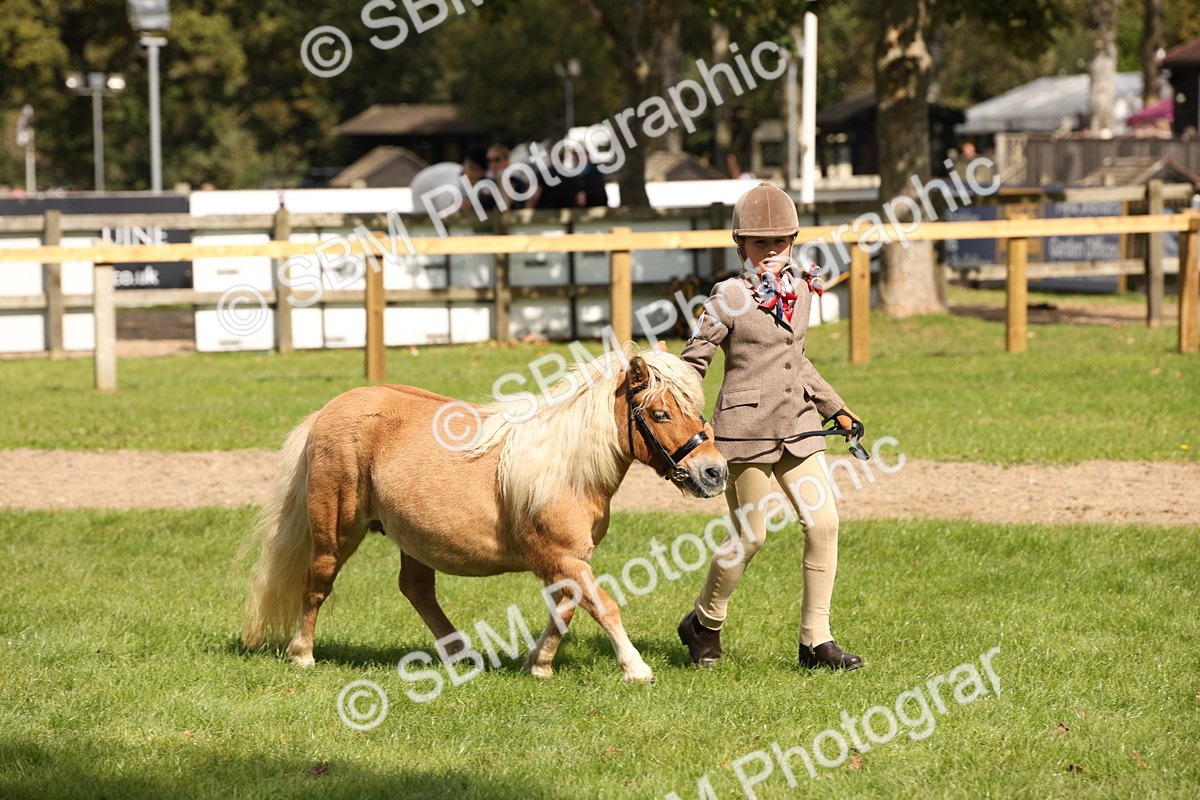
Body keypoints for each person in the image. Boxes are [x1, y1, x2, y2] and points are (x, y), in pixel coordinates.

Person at [676, 182, 865, 671]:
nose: (771, 250)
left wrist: (835, 407)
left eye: (780, 240)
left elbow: (796, 360)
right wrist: (684, 417)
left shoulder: (801, 289)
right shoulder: (728, 296)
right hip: (744, 431)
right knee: (751, 536)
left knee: (824, 524)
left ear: (794, 240)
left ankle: (816, 642)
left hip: (798, 424)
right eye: (760, 242)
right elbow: (694, 362)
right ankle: (703, 623)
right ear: (741, 244)